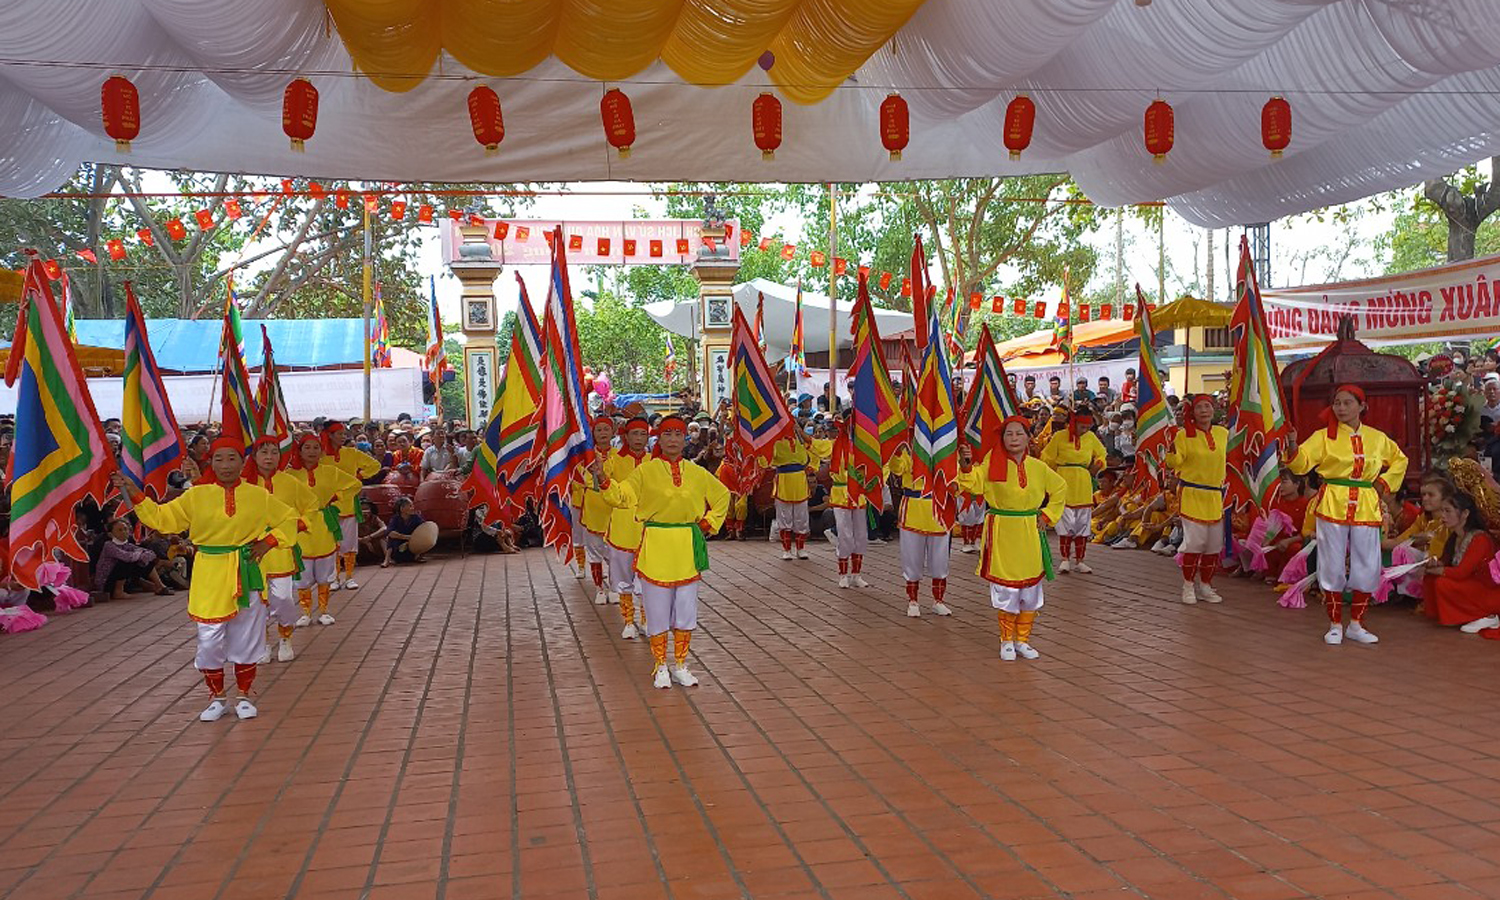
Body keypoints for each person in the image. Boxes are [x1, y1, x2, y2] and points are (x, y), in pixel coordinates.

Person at [111, 440, 291, 722]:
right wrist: (134, 493)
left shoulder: (259, 495)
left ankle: (243, 695)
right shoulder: (196, 496)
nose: (226, 465)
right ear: (211, 462)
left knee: (247, 634)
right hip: (209, 572)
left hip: (247, 570)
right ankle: (217, 697)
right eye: (219, 459)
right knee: (209, 637)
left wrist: (268, 542)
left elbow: (289, 518)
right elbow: (163, 518)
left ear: (243, 463)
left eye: (232, 459)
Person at [591, 416, 729, 689]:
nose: (674, 440)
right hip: (655, 544)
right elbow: (623, 496)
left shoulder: (696, 472)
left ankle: (680, 664)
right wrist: (605, 479)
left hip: (687, 547)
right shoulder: (646, 472)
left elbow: (722, 495)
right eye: (667, 434)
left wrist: (707, 524)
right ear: (660, 439)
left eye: (679, 434)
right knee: (656, 610)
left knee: (685, 610)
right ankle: (660, 666)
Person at [1285, 385, 1409, 645]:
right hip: (1332, 501)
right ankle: (1334, 624)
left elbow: (1400, 460)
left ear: (1362, 406)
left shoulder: (1377, 438)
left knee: (1366, 561)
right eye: (1337, 403)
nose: (1341, 408)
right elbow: (1301, 463)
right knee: (1331, 562)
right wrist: (1294, 444)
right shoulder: (1323, 437)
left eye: (1347, 403)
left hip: (1365, 503)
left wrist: (1384, 484)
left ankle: (1356, 623)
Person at [959, 416, 1067, 661]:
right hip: (1002, 531)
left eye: (1019, 433)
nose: (1014, 438)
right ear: (1002, 438)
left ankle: (1023, 640)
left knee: (1030, 589)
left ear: (1028, 437)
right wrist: (966, 465)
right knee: (1006, 587)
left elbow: (1060, 488)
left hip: (1029, 530)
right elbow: (974, 483)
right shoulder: (992, 462)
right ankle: (1006, 640)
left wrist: (1048, 515)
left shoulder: (1038, 468)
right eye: (1009, 434)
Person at [245, 435, 319, 663]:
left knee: (283, 598)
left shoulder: (290, 482)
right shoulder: (244, 484)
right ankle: (264, 643)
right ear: (254, 456)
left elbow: (312, 506)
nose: (269, 457)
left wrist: (298, 524)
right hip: (251, 552)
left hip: (280, 550)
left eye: (274, 452)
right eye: (264, 452)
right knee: (256, 602)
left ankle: (285, 636)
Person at [286, 432, 363, 628]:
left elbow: (355, 484)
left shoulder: (330, 471)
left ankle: (323, 610)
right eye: (307, 447)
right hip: (301, 526)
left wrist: (336, 497)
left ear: (321, 451)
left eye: (316, 447)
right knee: (302, 575)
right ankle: (305, 611)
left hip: (324, 525)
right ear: (300, 451)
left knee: (324, 571)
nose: (312, 451)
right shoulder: (290, 475)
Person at [1162, 395, 1230, 604]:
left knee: (1213, 545)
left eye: (1207, 406)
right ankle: (1188, 585)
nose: (1204, 411)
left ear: (1213, 409)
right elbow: (1174, 462)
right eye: (1199, 407)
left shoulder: (1223, 433)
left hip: (1216, 495)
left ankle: (1206, 585)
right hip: (1192, 493)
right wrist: (1171, 450)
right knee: (1195, 543)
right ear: (1192, 411)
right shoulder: (1183, 436)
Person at [1422, 470, 1500, 632]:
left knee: (1443, 582)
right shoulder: (1454, 537)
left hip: (1488, 592)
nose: (1443, 516)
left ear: (1464, 514)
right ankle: (1460, 615)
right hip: (1472, 586)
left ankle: (1486, 616)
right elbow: (1448, 563)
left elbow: (1461, 573)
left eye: (1448, 511)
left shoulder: (1479, 539)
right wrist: (1435, 565)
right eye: (1442, 511)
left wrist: (1439, 570)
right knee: (1430, 578)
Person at [888, 437, 956, 617]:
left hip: (939, 509)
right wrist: (897, 450)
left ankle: (938, 600)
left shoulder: (946, 446)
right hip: (913, 508)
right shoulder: (909, 447)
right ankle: (913, 600)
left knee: (940, 559)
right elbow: (897, 468)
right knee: (912, 558)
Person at [1040, 409, 1108, 573]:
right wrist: (1053, 476)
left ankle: (1080, 560)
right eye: (1081, 427)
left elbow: (1102, 453)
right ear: (1074, 423)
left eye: (1087, 427)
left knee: (1082, 525)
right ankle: (1065, 559)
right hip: (1064, 479)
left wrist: (1098, 464)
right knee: (1065, 523)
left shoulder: (1091, 437)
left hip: (1083, 481)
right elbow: (1046, 457)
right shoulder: (1059, 436)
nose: (1084, 430)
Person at [604, 417, 650, 638]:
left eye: (643, 434)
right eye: (635, 434)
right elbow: (601, 484)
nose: (639, 439)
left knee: (648, 579)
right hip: (622, 528)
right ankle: (629, 621)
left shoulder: (654, 461)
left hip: (649, 529)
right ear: (626, 436)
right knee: (623, 578)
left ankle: (645, 619)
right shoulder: (614, 460)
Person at [322, 423, 380, 592]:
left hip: (347, 504)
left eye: (343, 433)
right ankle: (333, 577)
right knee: (331, 544)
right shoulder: (321, 455)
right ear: (329, 435)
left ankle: (349, 576)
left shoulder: (352, 453)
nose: (343, 437)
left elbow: (374, 465)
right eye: (338, 434)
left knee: (349, 543)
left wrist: (359, 476)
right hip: (328, 505)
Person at [827, 415, 871, 589]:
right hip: (840, 493)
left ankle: (857, 574)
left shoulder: (863, 447)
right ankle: (843, 574)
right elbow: (814, 446)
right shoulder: (834, 445)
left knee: (861, 534)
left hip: (858, 494)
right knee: (845, 534)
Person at [578, 417, 619, 602]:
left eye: (606, 429)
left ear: (613, 432)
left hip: (614, 509)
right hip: (594, 509)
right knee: (595, 550)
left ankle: (614, 586)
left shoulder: (619, 455)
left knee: (614, 551)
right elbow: (583, 479)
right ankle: (599, 588)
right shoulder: (585, 456)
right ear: (593, 434)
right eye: (599, 430)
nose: (603, 433)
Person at [94, 517, 172, 600]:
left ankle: (160, 586)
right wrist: (140, 554)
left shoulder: (127, 545)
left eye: (125, 529)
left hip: (125, 581)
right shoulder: (109, 545)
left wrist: (141, 555)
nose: (124, 532)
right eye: (119, 530)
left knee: (146, 561)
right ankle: (118, 592)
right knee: (125, 563)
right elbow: (126, 557)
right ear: (111, 534)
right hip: (107, 583)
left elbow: (151, 554)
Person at [769, 433, 815, 560]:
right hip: (783, 480)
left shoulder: (801, 439)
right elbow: (766, 457)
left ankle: (801, 548)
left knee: (801, 516)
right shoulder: (775, 441)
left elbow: (812, 452)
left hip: (800, 479)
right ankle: (786, 549)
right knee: (784, 516)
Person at [955, 442, 985, 554]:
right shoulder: (961, 458)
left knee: (979, 519)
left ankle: (973, 541)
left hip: (980, 494)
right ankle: (966, 542)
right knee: (967, 519)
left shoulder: (983, 462)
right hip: (965, 494)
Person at [385, 498, 428, 564]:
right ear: (402, 509)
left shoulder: (416, 517)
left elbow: (424, 527)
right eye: (410, 506)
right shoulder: (395, 519)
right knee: (391, 539)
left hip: (412, 543)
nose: (412, 508)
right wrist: (406, 537)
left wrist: (414, 537)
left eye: (412, 506)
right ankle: (387, 559)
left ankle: (418, 556)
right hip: (399, 543)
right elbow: (390, 533)